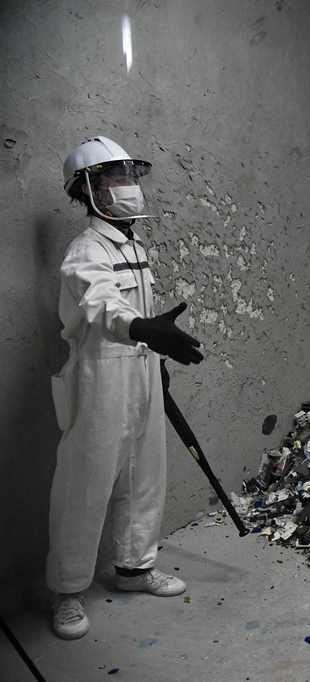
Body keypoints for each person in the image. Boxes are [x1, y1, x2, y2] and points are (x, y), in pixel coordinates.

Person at [47, 136, 205, 640]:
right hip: (100, 373)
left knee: (145, 472)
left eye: (130, 176)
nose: (129, 187)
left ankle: (134, 567)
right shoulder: (85, 250)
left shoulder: (133, 245)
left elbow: (138, 315)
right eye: (115, 177)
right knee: (87, 481)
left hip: (139, 365)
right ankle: (68, 590)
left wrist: (153, 356)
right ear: (89, 189)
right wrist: (140, 329)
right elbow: (100, 305)